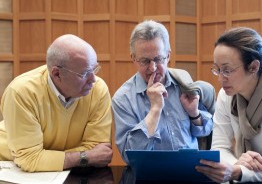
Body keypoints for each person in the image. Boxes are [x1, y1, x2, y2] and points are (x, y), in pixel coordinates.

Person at [195, 27, 262, 183]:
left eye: (227, 70)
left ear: (253, 67)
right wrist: (237, 166)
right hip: (245, 175)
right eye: (218, 69)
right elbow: (219, 148)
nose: (220, 79)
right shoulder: (226, 95)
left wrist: (239, 172)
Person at [0, 34, 113, 172]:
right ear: (57, 73)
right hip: (12, 168)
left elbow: (99, 151)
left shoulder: (98, 90)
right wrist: (84, 156)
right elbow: (30, 159)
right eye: (84, 73)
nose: (93, 79)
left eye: (94, 69)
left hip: (68, 172)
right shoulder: (21, 92)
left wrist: (47, 158)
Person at [112, 20, 216, 164]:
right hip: (151, 175)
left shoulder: (182, 81)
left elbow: (205, 131)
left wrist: (194, 114)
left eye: (158, 59)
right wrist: (155, 109)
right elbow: (130, 157)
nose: (153, 68)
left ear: (168, 55)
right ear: (134, 59)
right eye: (145, 61)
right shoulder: (123, 99)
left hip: (190, 170)